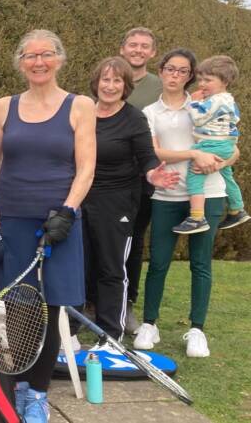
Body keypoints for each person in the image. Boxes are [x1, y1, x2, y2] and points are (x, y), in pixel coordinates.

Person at [0, 30, 96, 423]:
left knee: (50, 305)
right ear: (20, 62)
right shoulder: (5, 107)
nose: (38, 62)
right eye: (30, 56)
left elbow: (86, 167)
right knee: (18, 306)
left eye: (46, 54)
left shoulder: (80, 105)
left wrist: (68, 209)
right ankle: (20, 386)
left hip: (57, 221)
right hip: (11, 216)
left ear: (59, 59)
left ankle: (38, 393)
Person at [134, 48, 234, 358]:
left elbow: (232, 148)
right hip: (167, 195)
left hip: (209, 193)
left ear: (190, 76)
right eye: (170, 69)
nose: (175, 76)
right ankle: (150, 324)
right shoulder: (150, 112)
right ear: (161, 71)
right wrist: (193, 154)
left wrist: (217, 162)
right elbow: (155, 152)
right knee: (159, 262)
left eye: (182, 71)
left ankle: (197, 330)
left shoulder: (210, 104)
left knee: (201, 263)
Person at [79, 57, 178, 345]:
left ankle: (110, 334)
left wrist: (152, 173)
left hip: (117, 201)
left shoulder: (134, 117)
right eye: (105, 80)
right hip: (79, 198)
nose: (109, 86)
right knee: (77, 266)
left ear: (126, 86)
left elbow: (147, 156)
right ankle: (71, 330)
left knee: (111, 268)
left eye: (116, 81)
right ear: (96, 82)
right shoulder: (82, 112)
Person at [172, 55, 247, 233]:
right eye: (200, 79)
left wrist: (193, 102)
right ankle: (237, 209)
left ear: (225, 81)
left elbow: (198, 119)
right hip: (226, 145)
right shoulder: (228, 99)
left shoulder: (216, 100)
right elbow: (235, 118)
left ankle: (197, 217)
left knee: (194, 176)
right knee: (226, 175)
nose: (202, 84)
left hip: (212, 144)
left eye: (208, 80)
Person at [118, 27, 162, 333]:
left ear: (152, 53)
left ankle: (127, 304)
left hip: (142, 178)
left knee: (133, 244)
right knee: (100, 243)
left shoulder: (160, 87)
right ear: (122, 49)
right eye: (133, 45)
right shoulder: (111, 79)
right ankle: (95, 302)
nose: (138, 49)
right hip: (107, 177)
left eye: (144, 46)